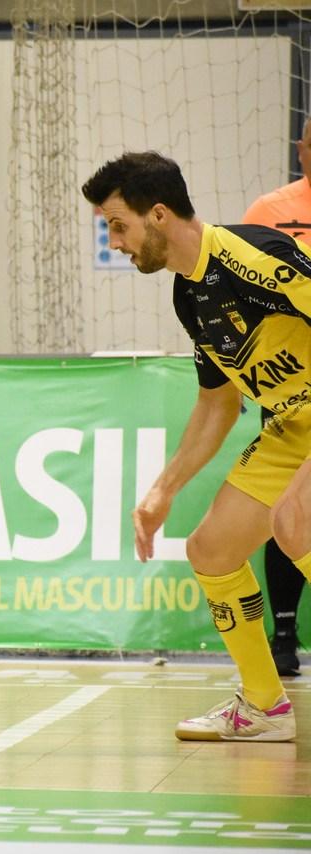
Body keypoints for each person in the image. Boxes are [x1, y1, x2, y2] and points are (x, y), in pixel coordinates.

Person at [82, 151, 309, 742]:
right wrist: (162, 491)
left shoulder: (249, 255)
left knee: (296, 523)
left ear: (158, 215)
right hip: (288, 427)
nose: (115, 242)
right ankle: (265, 708)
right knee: (211, 550)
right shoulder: (190, 295)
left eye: (118, 224)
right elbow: (218, 403)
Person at [239, 118, 311, 678]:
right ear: (300, 149)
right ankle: (282, 633)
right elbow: (240, 295)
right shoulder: (270, 210)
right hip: (289, 387)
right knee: (285, 510)